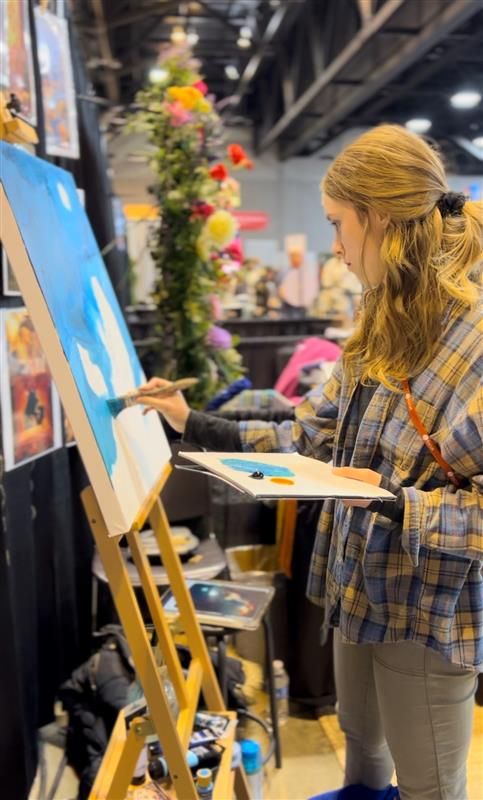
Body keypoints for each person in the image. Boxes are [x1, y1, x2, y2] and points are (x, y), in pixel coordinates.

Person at [136, 124, 483, 800]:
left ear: (379, 219)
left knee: (428, 785)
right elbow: (313, 434)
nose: (334, 248)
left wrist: (391, 502)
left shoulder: (473, 341)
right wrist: (190, 423)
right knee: (360, 745)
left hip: (427, 608)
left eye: (336, 225)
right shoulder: (380, 315)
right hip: (358, 585)